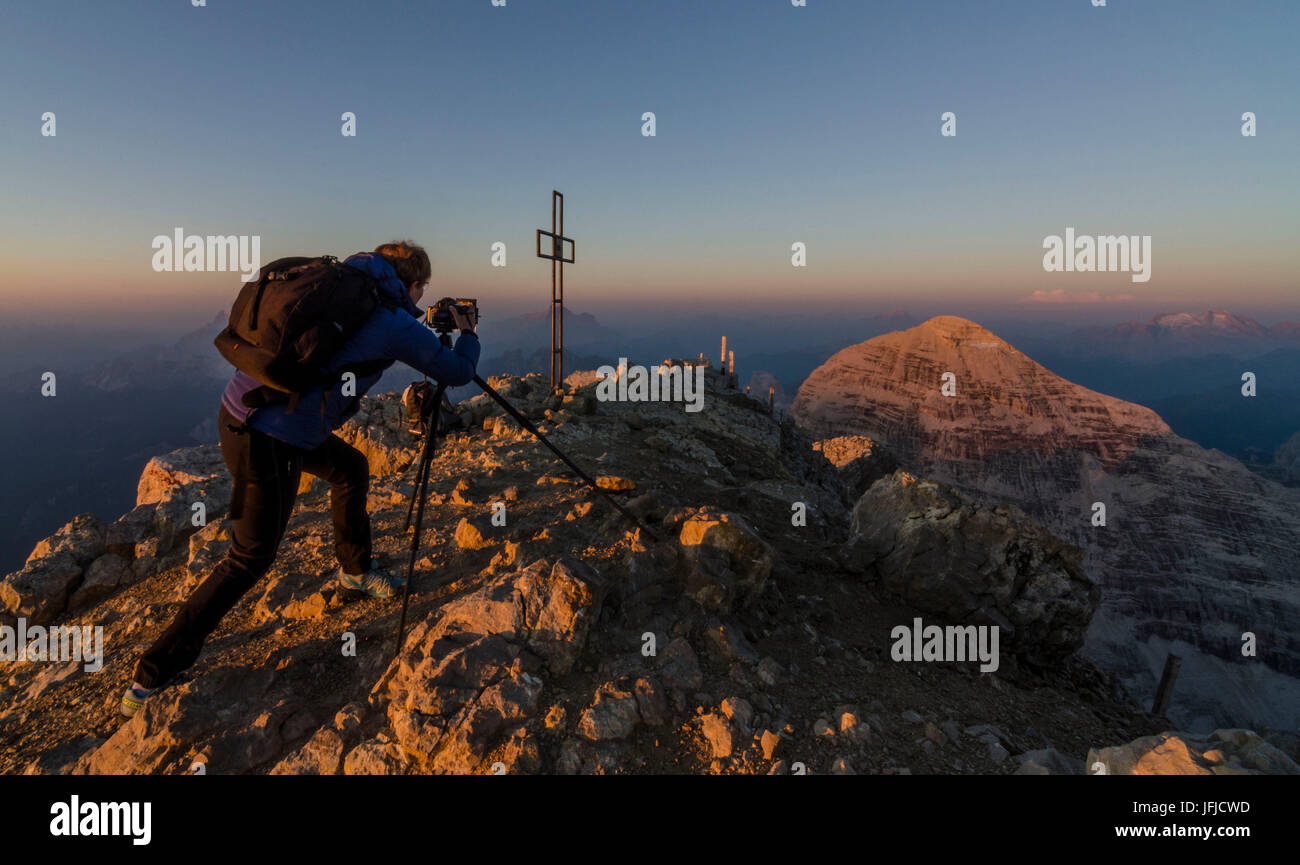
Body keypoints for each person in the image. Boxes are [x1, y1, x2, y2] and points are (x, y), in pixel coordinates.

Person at [121, 241, 480, 718]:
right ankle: (152, 675)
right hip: (271, 436)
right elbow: (456, 372)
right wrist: (468, 333)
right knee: (249, 558)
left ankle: (355, 569)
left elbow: (358, 343)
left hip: (245, 412)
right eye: (423, 288)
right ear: (412, 284)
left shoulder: (344, 288)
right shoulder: (389, 320)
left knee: (350, 468)